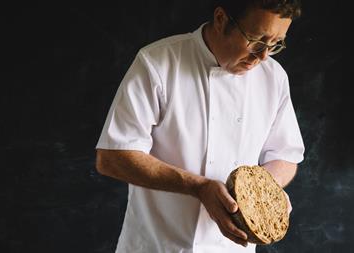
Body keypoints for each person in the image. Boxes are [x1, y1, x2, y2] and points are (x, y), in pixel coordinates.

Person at [95, 0, 305, 252]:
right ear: (221, 18)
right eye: (256, 39)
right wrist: (198, 187)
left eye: (275, 44)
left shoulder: (275, 77)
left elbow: (285, 155)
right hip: (156, 245)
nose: (262, 56)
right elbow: (112, 156)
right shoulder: (158, 62)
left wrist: (260, 193)